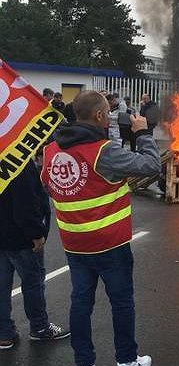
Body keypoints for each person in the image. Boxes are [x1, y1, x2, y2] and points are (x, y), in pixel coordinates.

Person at [40, 90, 161, 366]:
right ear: (98, 116)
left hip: (74, 244)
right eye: (107, 111)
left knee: (81, 302)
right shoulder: (104, 152)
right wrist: (142, 133)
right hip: (109, 245)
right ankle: (127, 359)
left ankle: (84, 361)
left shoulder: (51, 150)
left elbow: (49, 185)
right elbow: (152, 165)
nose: (109, 115)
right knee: (121, 302)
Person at [0, 161, 70, 350]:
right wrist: (36, 233)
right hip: (20, 237)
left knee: (2, 284)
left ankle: (4, 332)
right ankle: (40, 327)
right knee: (33, 282)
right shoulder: (18, 161)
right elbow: (26, 202)